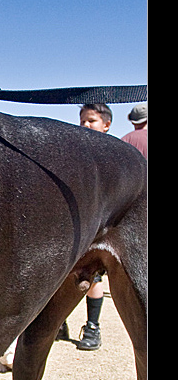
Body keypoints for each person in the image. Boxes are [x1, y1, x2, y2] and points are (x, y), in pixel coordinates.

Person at [73, 102, 113, 351]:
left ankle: (92, 326)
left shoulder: (113, 154)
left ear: (107, 125)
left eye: (91, 121)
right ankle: (59, 323)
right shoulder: (77, 152)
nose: (86, 125)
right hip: (77, 224)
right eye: (83, 121)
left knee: (94, 280)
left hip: (101, 229)